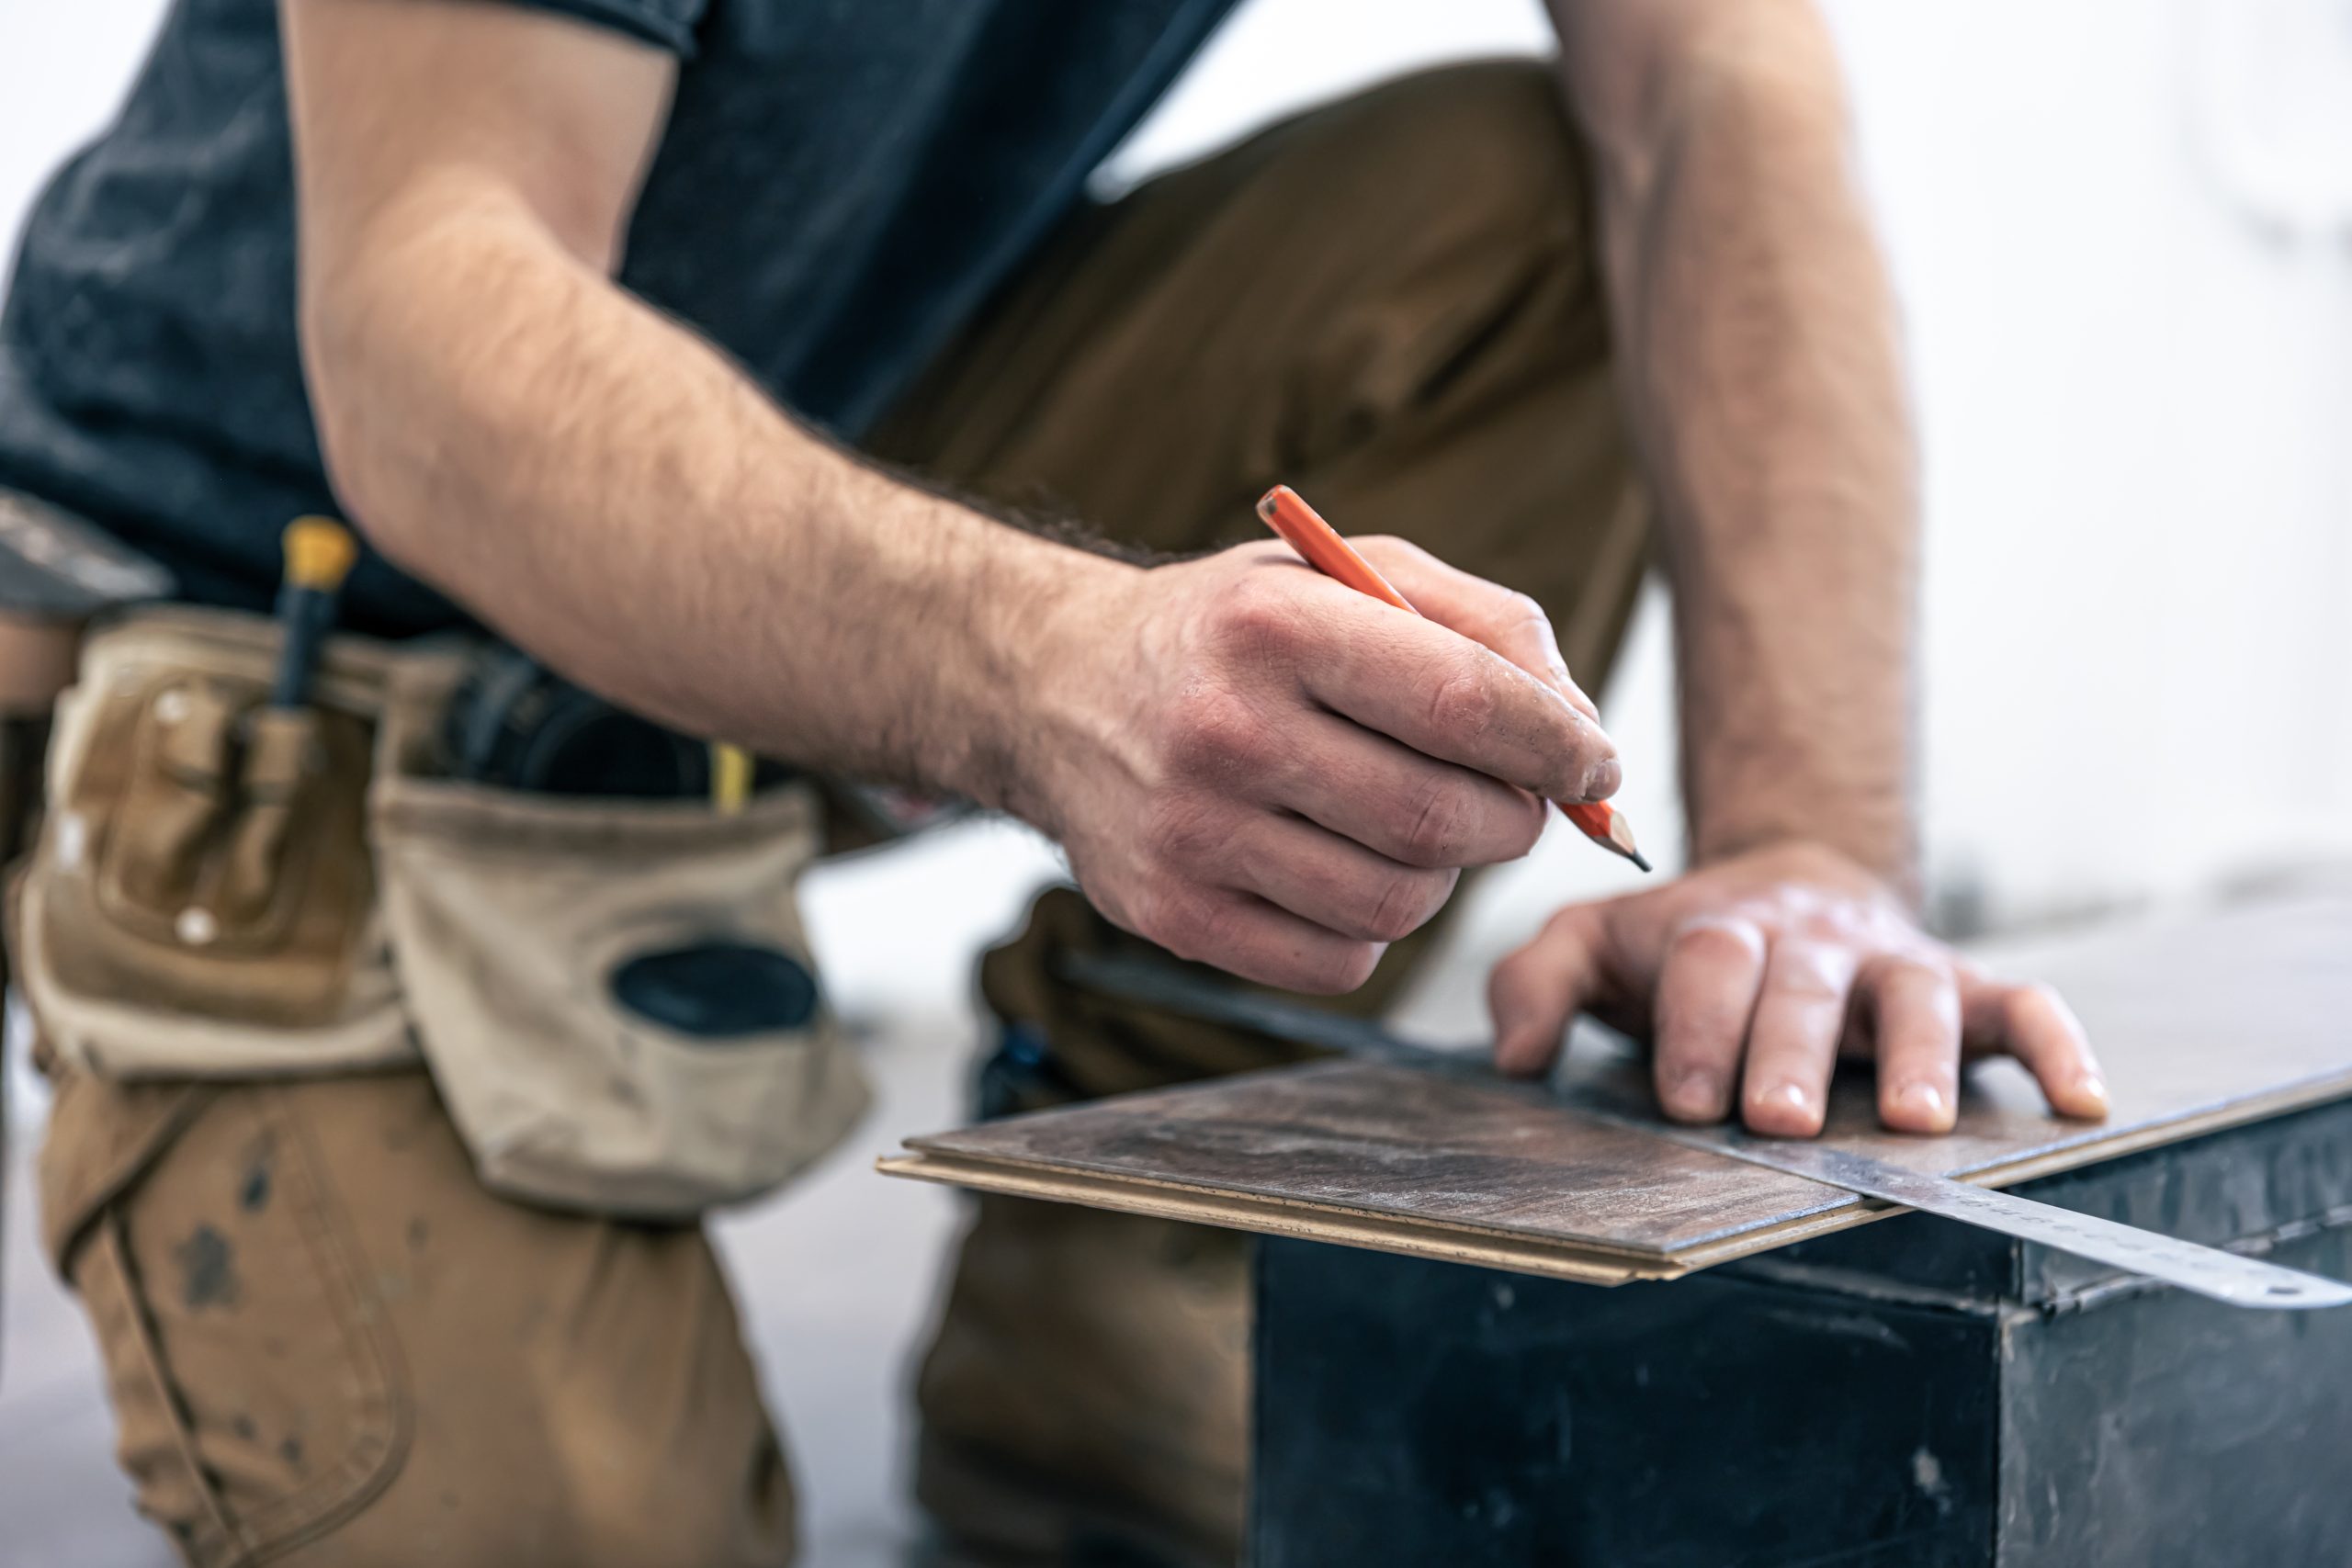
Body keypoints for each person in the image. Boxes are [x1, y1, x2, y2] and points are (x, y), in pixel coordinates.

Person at [0, 0, 2108, 1563]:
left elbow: (1710, 99)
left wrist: (1811, 847)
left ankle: (1106, 1253)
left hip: (781, 460)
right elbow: (421, 315)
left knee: (1524, 222)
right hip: (255, 645)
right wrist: (1043, 661)